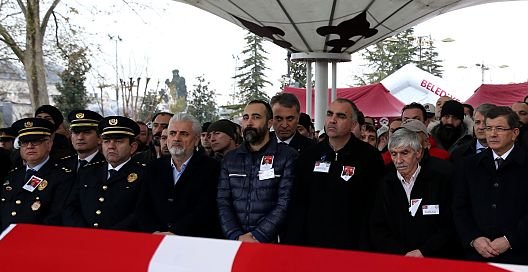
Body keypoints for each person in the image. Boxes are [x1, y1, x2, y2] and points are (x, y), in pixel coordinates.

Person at [454, 105, 528, 264]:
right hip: (477, 254)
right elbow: (460, 207)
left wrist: (509, 240)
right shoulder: (469, 165)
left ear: (515, 133)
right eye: (488, 128)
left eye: (499, 128)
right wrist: (474, 238)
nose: (492, 134)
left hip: (520, 256)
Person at [287, 98, 385, 249]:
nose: (333, 120)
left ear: (353, 124)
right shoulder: (309, 156)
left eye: (341, 116)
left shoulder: (369, 157)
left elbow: (375, 206)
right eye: (329, 114)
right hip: (313, 246)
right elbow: (298, 203)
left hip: (353, 248)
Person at [217, 100, 298, 243]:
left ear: (269, 123)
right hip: (236, 241)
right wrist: (235, 235)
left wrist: (258, 236)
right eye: (246, 117)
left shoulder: (287, 156)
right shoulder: (230, 159)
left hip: (272, 242)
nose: (249, 123)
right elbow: (223, 201)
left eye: (256, 117)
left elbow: (285, 202)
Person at [368, 128, 456, 258]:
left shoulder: (439, 181)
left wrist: (423, 251)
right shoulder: (384, 184)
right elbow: (377, 228)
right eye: (393, 154)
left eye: (404, 153)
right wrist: (403, 254)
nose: (398, 160)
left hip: (435, 260)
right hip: (396, 261)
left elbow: (449, 225)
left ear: (419, 152)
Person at [138, 113, 222, 237]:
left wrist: (176, 233)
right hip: (155, 240)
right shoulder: (153, 167)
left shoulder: (212, 169)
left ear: (196, 140)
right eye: (172, 133)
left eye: (184, 134)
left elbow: (208, 209)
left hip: (193, 242)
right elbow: (142, 207)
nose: (176, 138)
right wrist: (154, 231)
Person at [0, 118, 74, 236]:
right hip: (6, 243)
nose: (29, 146)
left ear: (49, 144)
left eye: (36, 141)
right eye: (25, 142)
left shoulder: (62, 176)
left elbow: (56, 217)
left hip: (40, 242)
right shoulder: (12, 176)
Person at [66, 116, 146, 231]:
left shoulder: (143, 174)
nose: (111, 146)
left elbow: (140, 213)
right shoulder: (88, 171)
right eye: (106, 141)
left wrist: (108, 236)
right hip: (84, 239)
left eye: (118, 141)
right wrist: (84, 232)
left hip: (121, 241)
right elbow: (71, 207)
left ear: (132, 147)